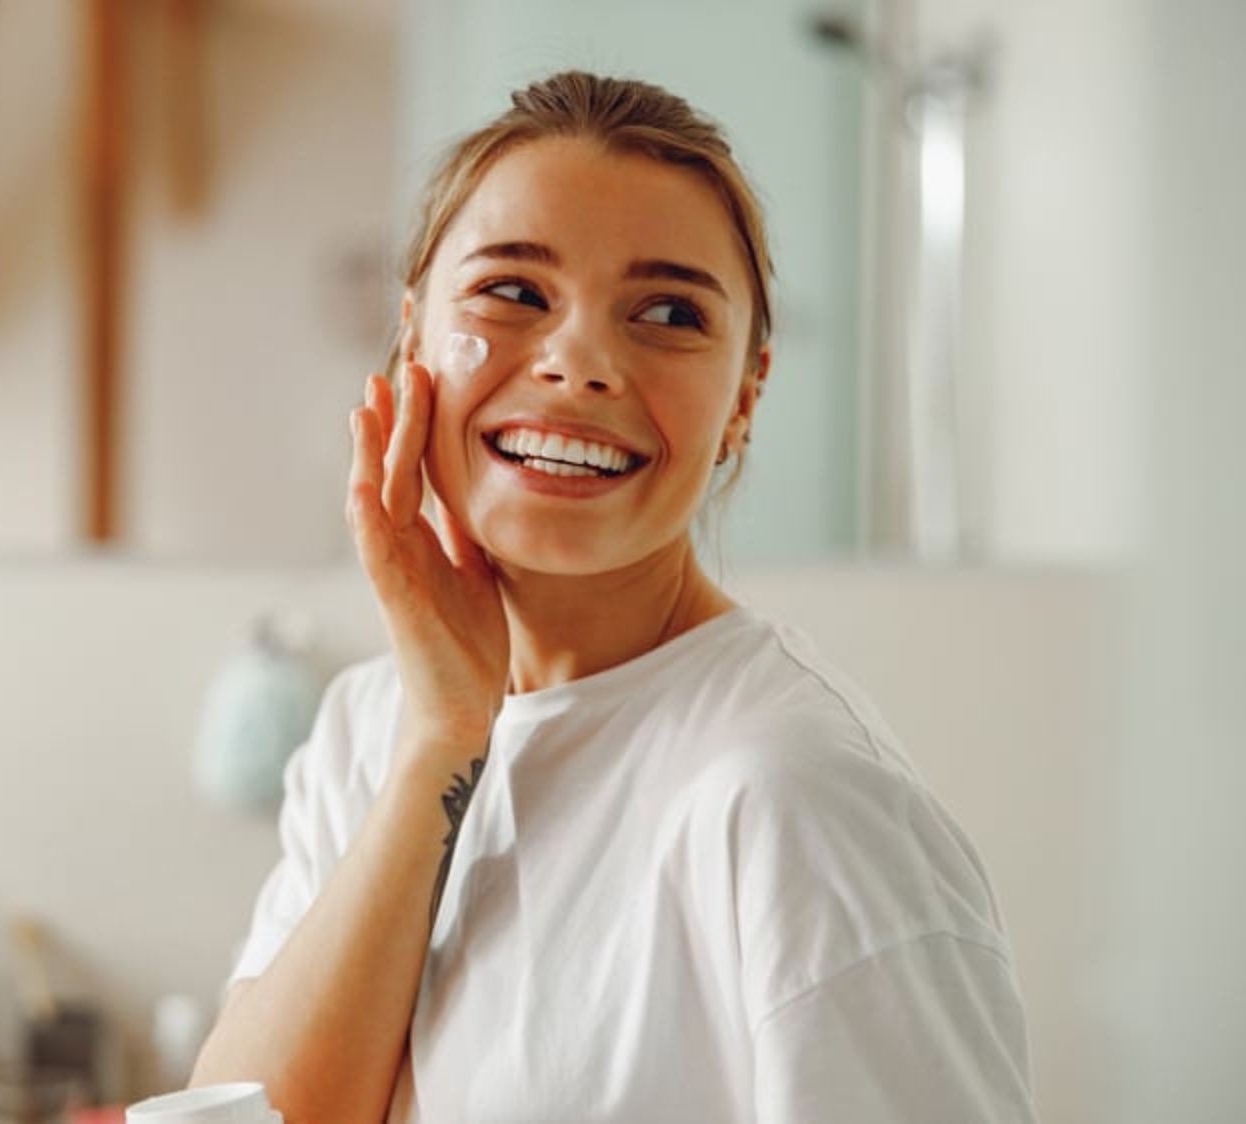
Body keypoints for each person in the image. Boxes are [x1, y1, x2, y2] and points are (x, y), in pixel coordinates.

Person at [191, 71, 1037, 1123]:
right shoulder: (372, 726)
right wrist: (442, 739)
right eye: (513, 291)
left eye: (669, 312)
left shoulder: (796, 798)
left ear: (745, 396)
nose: (580, 362)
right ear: (412, 338)